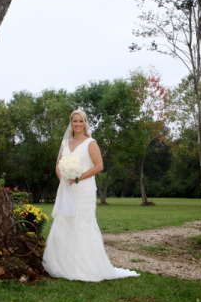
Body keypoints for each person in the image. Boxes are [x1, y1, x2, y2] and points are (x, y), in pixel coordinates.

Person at [42, 109, 139, 282]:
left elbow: (99, 166)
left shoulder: (90, 143)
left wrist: (77, 178)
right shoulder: (65, 143)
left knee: (82, 223)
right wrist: (63, 179)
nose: (78, 124)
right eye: (75, 121)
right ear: (71, 123)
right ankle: (62, 265)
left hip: (84, 189)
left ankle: (85, 267)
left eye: (81, 121)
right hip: (67, 188)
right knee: (65, 221)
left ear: (85, 123)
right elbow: (58, 165)